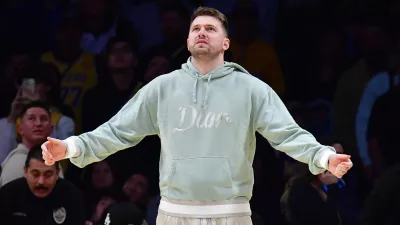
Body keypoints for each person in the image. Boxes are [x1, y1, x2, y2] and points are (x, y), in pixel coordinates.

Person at [42, 7, 353, 225]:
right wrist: (71, 148)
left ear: (226, 43)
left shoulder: (251, 89)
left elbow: (288, 134)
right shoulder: (162, 88)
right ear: (188, 41)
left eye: (211, 28)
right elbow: (116, 131)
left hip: (231, 212)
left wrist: (323, 157)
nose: (202, 33)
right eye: (196, 29)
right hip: (175, 212)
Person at [0, 144, 86, 225]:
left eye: (48, 175)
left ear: (57, 173)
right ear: (25, 171)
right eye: (35, 174)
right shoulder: (7, 195)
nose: (41, 181)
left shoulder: (72, 197)